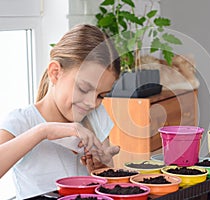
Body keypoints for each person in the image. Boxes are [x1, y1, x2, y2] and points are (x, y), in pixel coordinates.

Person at [0, 24, 121, 199]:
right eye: (83, 88)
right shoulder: (22, 121)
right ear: (55, 73)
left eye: (101, 95)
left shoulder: (97, 117)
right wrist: (45, 131)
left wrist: (103, 170)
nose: (92, 103)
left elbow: (106, 185)